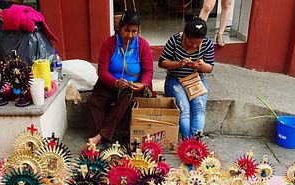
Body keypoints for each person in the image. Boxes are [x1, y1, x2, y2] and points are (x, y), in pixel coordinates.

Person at [86, 11, 153, 146]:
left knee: (126, 98)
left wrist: (143, 84)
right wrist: (115, 82)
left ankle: (100, 137)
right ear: (119, 28)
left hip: (132, 86)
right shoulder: (109, 43)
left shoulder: (143, 45)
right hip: (111, 83)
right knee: (93, 101)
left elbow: (148, 71)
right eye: (126, 31)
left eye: (134, 31)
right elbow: (102, 70)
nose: (130, 35)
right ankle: (104, 139)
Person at [158, 14, 214, 138]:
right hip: (175, 80)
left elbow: (209, 68)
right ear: (184, 35)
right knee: (184, 110)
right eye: (190, 42)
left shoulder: (207, 43)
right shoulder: (174, 40)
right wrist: (179, 63)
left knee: (199, 109)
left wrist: (201, 65)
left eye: (198, 43)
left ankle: (195, 144)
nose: (194, 45)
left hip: (195, 80)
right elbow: (162, 63)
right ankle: (188, 143)